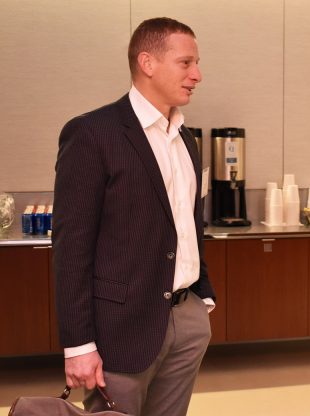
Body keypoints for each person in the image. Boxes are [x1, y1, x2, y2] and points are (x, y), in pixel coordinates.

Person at [53, 17, 214, 416]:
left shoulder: (186, 138)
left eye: (196, 64)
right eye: (186, 63)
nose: (197, 74)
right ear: (148, 63)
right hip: (121, 330)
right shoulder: (92, 133)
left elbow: (187, 225)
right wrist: (78, 344)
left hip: (187, 320)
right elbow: (71, 248)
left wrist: (203, 296)